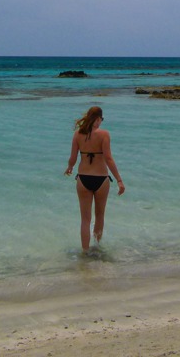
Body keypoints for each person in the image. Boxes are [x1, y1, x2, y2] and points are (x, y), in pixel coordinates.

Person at [64, 106, 125, 252]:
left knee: (85, 219)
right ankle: (96, 248)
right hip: (101, 179)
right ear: (98, 118)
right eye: (101, 119)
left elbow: (72, 158)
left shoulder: (77, 134)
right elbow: (109, 159)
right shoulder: (104, 134)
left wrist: (70, 168)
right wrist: (119, 180)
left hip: (83, 179)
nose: (100, 122)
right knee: (99, 216)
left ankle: (85, 251)